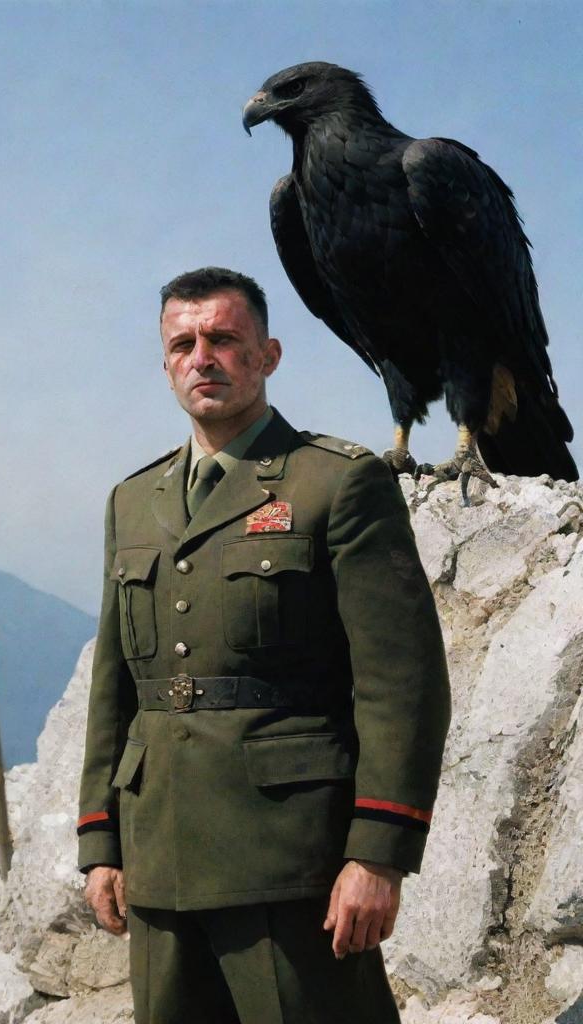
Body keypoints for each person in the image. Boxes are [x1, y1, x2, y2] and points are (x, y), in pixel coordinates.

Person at [77, 267, 451, 1023]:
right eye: (183, 343)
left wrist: (378, 851)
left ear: (268, 355)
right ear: (165, 363)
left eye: (223, 339)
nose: (202, 357)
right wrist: (101, 841)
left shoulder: (335, 484)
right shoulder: (133, 501)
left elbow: (401, 682)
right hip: (160, 861)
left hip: (290, 863)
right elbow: (116, 687)